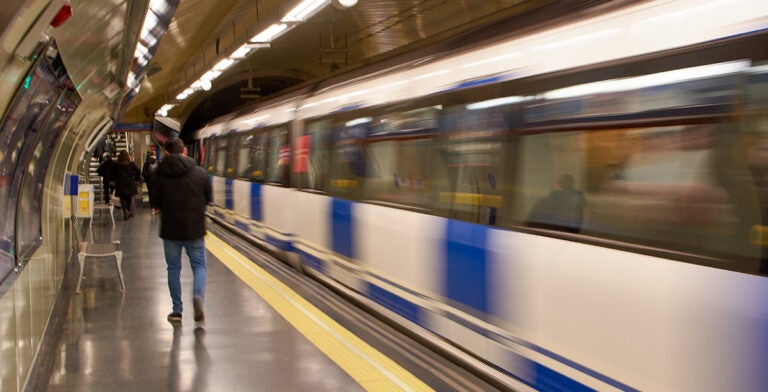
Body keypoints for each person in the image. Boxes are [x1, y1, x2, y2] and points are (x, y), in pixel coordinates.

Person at [149, 137, 212, 323]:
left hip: (170, 230)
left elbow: (154, 203)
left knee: (173, 269)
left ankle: (177, 310)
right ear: (184, 150)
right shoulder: (200, 173)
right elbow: (208, 199)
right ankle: (198, 296)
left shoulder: (158, 173)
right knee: (199, 266)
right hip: (194, 229)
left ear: (167, 152)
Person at [110, 150, 140, 220]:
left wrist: (114, 180)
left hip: (120, 182)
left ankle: (125, 211)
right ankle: (129, 211)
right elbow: (138, 171)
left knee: (122, 198)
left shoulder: (116, 164)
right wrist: (135, 178)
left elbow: (112, 173)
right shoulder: (131, 163)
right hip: (130, 182)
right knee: (129, 197)